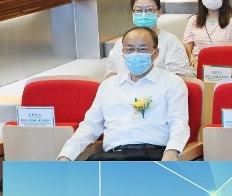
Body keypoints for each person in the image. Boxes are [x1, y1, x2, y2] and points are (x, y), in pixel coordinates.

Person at [57, 26, 190, 161]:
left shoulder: (172, 83)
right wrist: (65, 156)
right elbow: (90, 126)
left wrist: (171, 152)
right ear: (123, 53)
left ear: (155, 53)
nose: (135, 54)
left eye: (142, 49)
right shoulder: (108, 86)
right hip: (111, 157)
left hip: (152, 155)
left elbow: (178, 124)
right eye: (130, 49)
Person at [105, 0, 193, 78]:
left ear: (159, 12)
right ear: (132, 13)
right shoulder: (121, 43)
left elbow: (178, 77)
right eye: (138, 10)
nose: (143, 14)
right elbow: (111, 75)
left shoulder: (171, 42)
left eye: (150, 10)